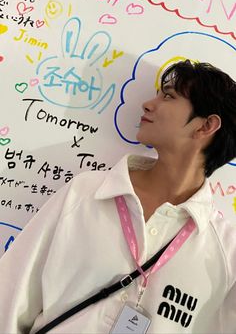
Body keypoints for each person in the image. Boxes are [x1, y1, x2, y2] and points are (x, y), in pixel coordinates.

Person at [0, 59, 236, 334]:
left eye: (168, 96)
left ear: (206, 126)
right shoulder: (86, 194)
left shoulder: (225, 249)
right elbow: (10, 294)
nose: (148, 104)